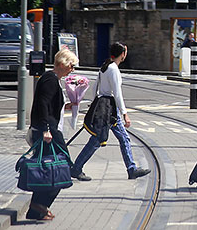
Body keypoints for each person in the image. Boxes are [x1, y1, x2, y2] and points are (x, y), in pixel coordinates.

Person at [70, 42, 151, 182]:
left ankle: (131, 169)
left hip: (105, 107)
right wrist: (125, 113)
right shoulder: (113, 69)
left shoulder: (105, 66)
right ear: (123, 54)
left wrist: (95, 103)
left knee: (120, 138)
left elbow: (95, 86)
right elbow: (117, 93)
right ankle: (77, 168)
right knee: (97, 140)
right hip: (109, 109)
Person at [27, 48, 79, 221]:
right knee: (61, 169)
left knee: (48, 170)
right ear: (62, 63)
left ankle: (38, 207)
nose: (72, 69)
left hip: (49, 130)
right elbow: (42, 104)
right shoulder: (50, 79)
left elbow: (49, 105)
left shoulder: (52, 79)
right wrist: (46, 129)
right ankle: (39, 205)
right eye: (71, 65)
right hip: (48, 132)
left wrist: (67, 106)